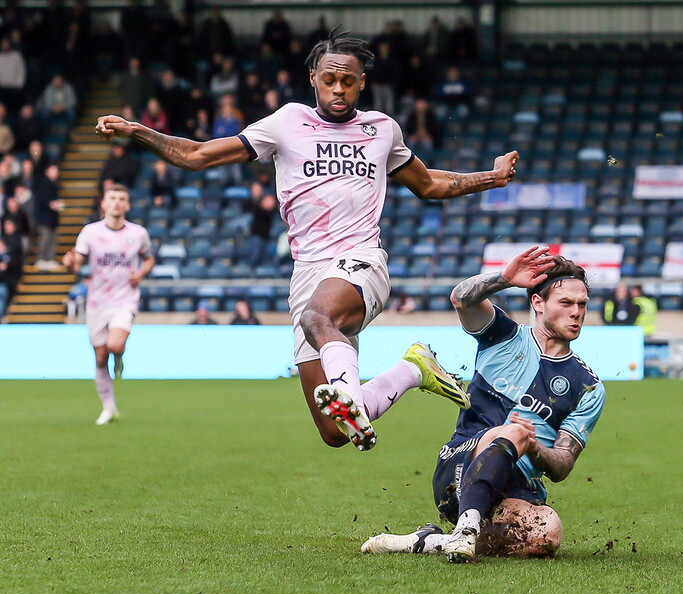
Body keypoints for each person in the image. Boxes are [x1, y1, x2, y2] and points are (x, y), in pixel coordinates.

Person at [94, 27, 518, 453]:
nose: (339, 89)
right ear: (313, 77)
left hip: (361, 261)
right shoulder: (286, 123)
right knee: (334, 432)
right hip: (308, 272)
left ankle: (349, 393)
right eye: (329, 80)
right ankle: (412, 368)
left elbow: (429, 185)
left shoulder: (381, 130)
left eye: (348, 82)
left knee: (317, 319)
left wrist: (492, 178)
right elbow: (198, 155)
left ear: (361, 83)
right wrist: (139, 132)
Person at [360, 248, 605, 562]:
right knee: (514, 431)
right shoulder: (503, 336)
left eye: (582, 304)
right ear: (538, 303)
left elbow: (562, 464)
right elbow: (462, 298)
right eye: (566, 303)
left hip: (518, 487)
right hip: (460, 470)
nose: (576, 313)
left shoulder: (588, 386)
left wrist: (535, 449)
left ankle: (430, 541)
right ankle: (465, 528)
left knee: (547, 535)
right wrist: (503, 279)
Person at [62, 184, 155, 425]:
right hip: (97, 301)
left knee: (114, 344)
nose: (116, 202)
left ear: (127, 205)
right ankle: (109, 408)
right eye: (112, 198)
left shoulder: (138, 233)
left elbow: (149, 258)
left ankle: (120, 355)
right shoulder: (90, 232)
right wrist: (68, 262)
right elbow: (76, 265)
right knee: (100, 357)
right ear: (103, 203)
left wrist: (141, 273)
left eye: (121, 198)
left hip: (125, 299)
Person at [33, 164, 64, 271]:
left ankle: (49, 259)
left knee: (53, 239)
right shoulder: (43, 183)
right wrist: (50, 204)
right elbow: (39, 200)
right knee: (45, 238)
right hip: (44, 218)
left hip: (53, 218)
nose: (55, 173)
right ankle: (41, 259)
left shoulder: (55, 184)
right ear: (47, 171)